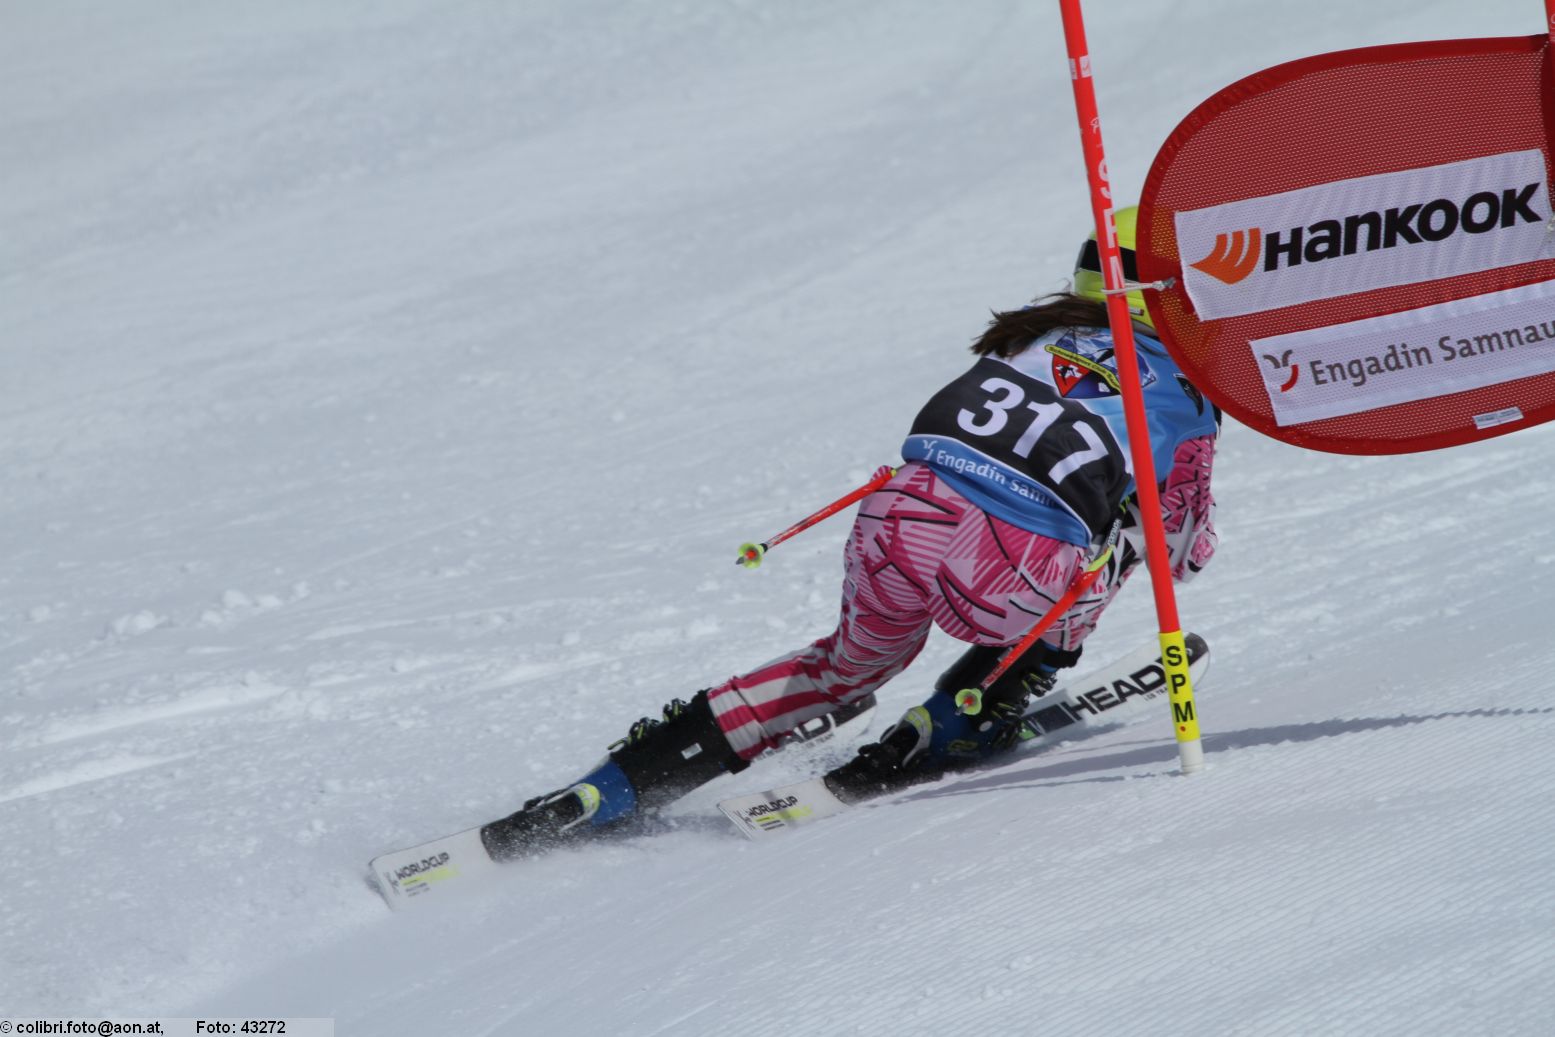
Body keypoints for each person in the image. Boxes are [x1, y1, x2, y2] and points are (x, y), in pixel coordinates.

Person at [483, 207, 1221, 858]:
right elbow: (1181, 552)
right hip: (1006, 571)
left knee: (846, 664)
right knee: (1127, 535)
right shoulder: (1187, 398)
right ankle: (972, 710)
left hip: (897, 516)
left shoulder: (1027, 330)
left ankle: (616, 785)